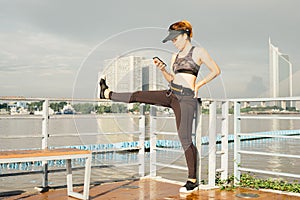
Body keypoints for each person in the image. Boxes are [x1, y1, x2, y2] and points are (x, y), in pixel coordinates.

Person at [99, 20, 220, 193]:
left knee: (184, 138)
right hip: (171, 93)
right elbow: (172, 79)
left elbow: (216, 70)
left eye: (175, 38)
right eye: (171, 39)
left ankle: (192, 180)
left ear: (185, 35)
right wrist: (163, 69)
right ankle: (106, 93)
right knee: (139, 95)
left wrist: (198, 86)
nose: (173, 42)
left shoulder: (198, 52)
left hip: (186, 98)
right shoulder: (174, 56)